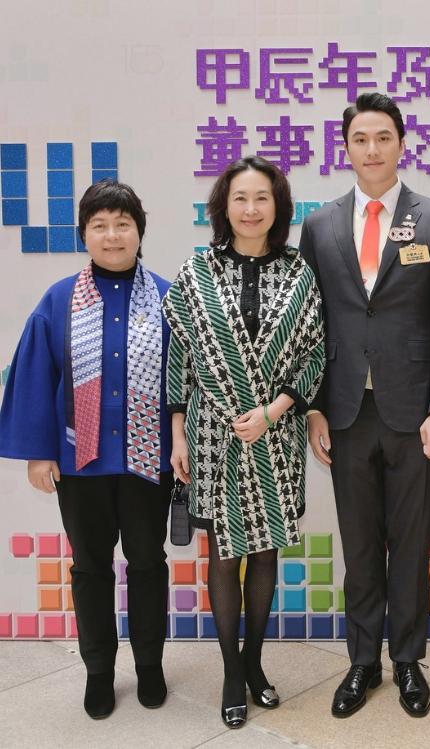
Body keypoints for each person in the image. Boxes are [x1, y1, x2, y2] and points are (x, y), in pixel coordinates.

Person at [299, 92, 430, 719]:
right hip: (345, 411)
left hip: (415, 413)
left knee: (411, 542)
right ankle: (362, 661)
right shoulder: (320, 225)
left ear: (402, 143)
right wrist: (314, 407)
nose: (372, 150)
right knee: (360, 544)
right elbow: (307, 326)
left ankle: (409, 660)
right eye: (360, 139)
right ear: (346, 148)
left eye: (383, 138)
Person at [0, 181, 173, 719]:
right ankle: (99, 671)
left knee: (148, 563)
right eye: (99, 225)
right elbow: (36, 376)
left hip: (149, 460)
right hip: (81, 462)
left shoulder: (167, 297)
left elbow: (185, 381)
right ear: (84, 235)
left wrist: (186, 444)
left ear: (140, 231)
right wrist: (39, 451)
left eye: (123, 224)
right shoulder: (58, 301)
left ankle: (149, 665)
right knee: (91, 567)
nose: (112, 235)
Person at [162, 156, 324, 729]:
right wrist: (177, 434)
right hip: (213, 434)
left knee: (265, 552)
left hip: (275, 434)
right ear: (223, 207)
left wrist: (273, 410)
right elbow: (178, 359)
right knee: (224, 554)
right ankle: (232, 672)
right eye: (240, 198)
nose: (251, 209)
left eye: (262, 198)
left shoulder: (300, 273)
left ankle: (254, 660)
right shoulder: (196, 271)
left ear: (277, 207)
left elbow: (314, 356)